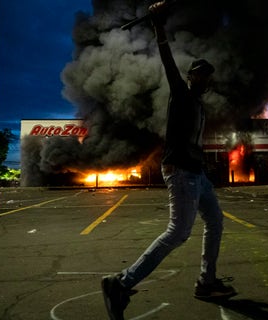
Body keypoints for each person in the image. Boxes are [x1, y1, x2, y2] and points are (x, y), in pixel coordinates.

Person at [101, 2, 236, 319]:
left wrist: (204, 165)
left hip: (197, 175)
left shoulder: (200, 106)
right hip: (181, 173)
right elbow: (167, 61)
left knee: (215, 221)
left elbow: (194, 142)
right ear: (191, 77)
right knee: (178, 233)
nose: (205, 80)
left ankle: (206, 281)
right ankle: (121, 283)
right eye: (200, 75)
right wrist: (159, 27)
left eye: (208, 76)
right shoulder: (181, 93)